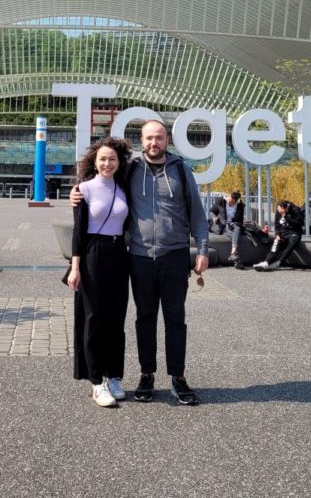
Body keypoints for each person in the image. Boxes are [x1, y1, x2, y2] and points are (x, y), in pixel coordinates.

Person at [71, 120, 209, 405]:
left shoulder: (181, 171)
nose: (153, 143)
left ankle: (178, 378)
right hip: (139, 256)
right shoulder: (131, 170)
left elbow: (197, 213)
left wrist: (203, 250)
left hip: (175, 254)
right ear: (141, 140)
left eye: (158, 138)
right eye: (148, 138)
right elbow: (102, 181)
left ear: (167, 139)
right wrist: (77, 191)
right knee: (144, 318)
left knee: (175, 319)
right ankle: (147, 375)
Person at [68, 137, 132, 408]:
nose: (107, 163)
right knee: (93, 318)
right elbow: (78, 231)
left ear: (119, 163)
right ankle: (96, 381)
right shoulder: (83, 189)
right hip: (93, 254)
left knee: (116, 319)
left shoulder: (123, 188)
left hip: (119, 255)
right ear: (94, 161)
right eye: (103, 159)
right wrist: (75, 267)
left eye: (112, 159)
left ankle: (113, 375)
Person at [253, 200, 304, 270]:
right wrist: (277, 235)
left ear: (285, 208)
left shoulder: (296, 210)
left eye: (281, 210)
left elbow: (298, 224)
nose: (279, 212)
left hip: (294, 232)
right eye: (278, 210)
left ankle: (279, 261)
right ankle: (267, 262)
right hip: (283, 232)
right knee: (276, 242)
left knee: (293, 242)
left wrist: (285, 215)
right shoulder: (279, 210)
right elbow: (277, 225)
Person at [208, 191, 245, 261]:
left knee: (237, 229)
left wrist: (236, 223)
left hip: (233, 225)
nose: (229, 203)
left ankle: (233, 252)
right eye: (229, 201)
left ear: (236, 201)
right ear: (228, 197)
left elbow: (240, 221)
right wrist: (214, 217)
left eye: (231, 202)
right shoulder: (221, 201)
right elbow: (212, 211)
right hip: (222, 225)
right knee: (236, 233)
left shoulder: (240, 206)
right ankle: (234, 255)